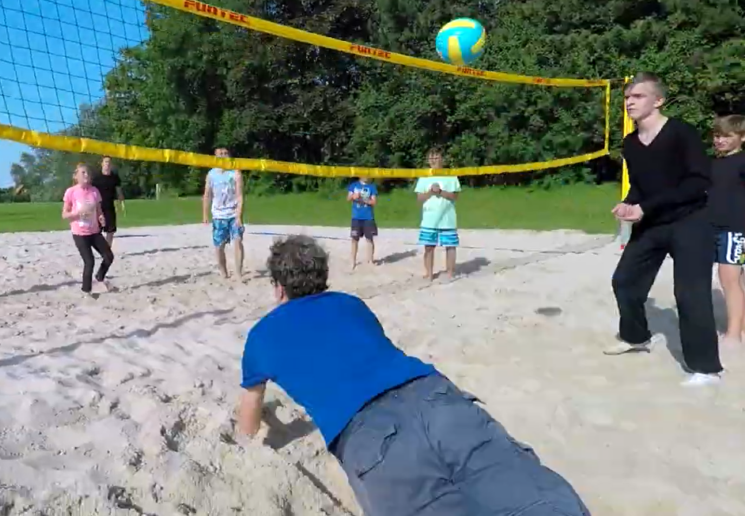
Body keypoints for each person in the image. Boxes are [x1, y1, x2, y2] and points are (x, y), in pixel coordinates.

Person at [235, 235, 591, 516]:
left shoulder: (262, 336)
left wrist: (245, 439)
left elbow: (249, 413)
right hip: (434, 397)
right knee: (532, 495)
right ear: (323, 278)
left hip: (367, 433)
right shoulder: (350, 304)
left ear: (278, 286)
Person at [609, 72, 722, 386]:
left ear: (658, 100)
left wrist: (645, 206)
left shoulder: (681, 133)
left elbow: (699, 182)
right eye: (628, 97)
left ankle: (705, 369)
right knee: (625, 282)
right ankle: (637, 337)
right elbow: (641, 188)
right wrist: (629, 204)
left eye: (638, 96)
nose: (630, 102)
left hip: (690, 221)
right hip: (653, 222)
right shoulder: (630, 143)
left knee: (690, 294)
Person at [708, 114, 745, 348]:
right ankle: (739, 326)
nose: (720, 140)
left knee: (729, 279)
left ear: (741, 137)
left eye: (726, 136)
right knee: (733, 280)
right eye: (717, 135)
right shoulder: (714, 163)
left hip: (735, 229)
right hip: (712, 227)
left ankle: (734, 333)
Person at [63, 163, 114, 295]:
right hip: (80, 234)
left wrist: (101, 217)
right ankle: (87, 291)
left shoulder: (94, 191)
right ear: (76, 176)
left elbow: (98, 210)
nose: (87, 175)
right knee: (89, 261)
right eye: (83, 173)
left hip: (94, 231)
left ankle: (100, 277)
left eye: (88, 173)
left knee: (108, 256)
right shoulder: (71, 192)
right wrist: (78, 214)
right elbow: (64, 214)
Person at [414, 148, 462, 279]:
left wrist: (440, 192)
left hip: (448, 218)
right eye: (431, 158)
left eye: (436, 157)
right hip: (429, 219)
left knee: (450, 247)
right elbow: (419, 199)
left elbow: (455, 197)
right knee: (429, 247)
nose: (433, 160)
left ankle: (450, 273)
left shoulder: (451, 175)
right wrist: (430, 192)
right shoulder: (424, 176)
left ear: (442, 159)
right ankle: (429, 274)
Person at [202, 147, 245, 281]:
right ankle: (224, 272)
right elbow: (207, 195)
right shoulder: (211, 174)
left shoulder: (235, 173)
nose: (224, 155)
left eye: (226, 153)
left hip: (233, 213)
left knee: (237, 241)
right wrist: (205, 214)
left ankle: (238, 273)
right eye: (220, 154)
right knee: (219, 246)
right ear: (215, 157)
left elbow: (240, 196)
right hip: (218, 216)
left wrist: (239, 215)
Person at [92, 155, 125, 248]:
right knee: (96, 230)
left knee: (111, 230)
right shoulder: (96, 177)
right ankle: (100, 247)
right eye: (106, 162)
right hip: (98, 206)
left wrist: (121, 198)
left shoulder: (114, 177)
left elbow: (118, 189)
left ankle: (107, 249)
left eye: (109, 162)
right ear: (102, 164)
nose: (107, 164)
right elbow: (91, 191)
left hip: (110, 206)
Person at [347, 176, 377, 269]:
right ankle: (353, 261)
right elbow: (348, 198)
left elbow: (374, 202)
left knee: (369, 239)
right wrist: (353, 196)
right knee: (354, 239)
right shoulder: (354, 185)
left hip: (368, 217)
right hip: (356, 217)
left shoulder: (372, 187)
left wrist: (365, 200)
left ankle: (370, 260)